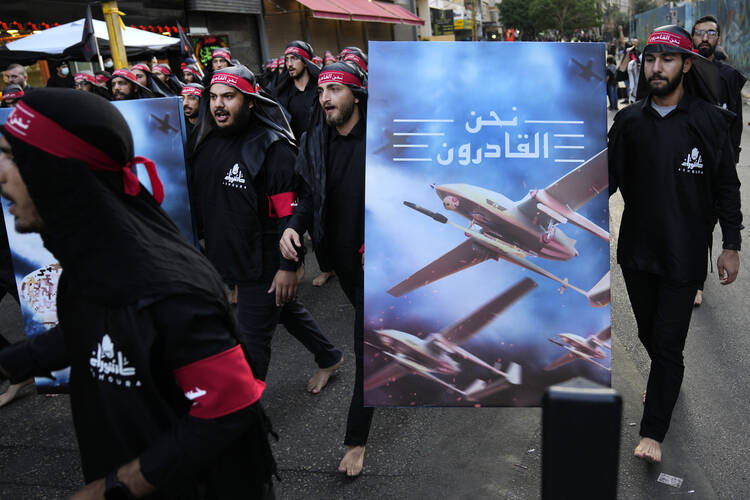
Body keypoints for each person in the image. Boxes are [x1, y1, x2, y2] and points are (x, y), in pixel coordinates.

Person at [0, 88, 277, 497]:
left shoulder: (167, 290)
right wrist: (11, 363)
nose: (1, 174)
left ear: (58, 174)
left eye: (12, 157)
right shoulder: (93, 260)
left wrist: (115, 488)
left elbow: (228, 408)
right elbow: (95, 329)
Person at [608, 25, 742, 463]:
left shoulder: (710, 122)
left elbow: (726, 186)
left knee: (667, 344)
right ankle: (667, 376)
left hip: (684, 256)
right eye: (650, 59)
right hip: (637, 254)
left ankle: (653, 431)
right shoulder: (628, 123)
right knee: (650, 334)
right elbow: (605, 183)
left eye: (667, 59)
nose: (656, 68)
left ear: (686, 64)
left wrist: (731, 244)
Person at [189, 65, 343, 391]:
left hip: (262, 265)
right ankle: (329, 356)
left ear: (250, 102)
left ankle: (242, 419)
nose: (219, 105)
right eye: (214, 97)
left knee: (250, 347)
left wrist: (288, 265)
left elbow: (292, 215)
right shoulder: (206, 143)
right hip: (228, 260)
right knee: (285, 310)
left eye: (229, 97)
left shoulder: (273, 149)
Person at [280, 62, 372, 476]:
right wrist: (293, 228)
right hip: (344, 266)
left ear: (356, 93)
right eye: (321, 91)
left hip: (379, 264)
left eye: (335, 89)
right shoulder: (315, 140)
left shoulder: (381, 138)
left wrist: (385, 239)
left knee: (368, 346)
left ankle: (356, 441)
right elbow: (307, 198)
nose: (326, 98)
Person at [690, 15, 746, 307]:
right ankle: (691, 278)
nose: (704, 38)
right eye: (699, 33)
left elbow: (734, 121)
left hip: (717, 162)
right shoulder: (685, 71)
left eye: (710, 33)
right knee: (689, 224)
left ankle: (696, 282)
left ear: (719, 39)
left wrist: (731, 158)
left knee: (705, 224)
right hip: (687, 163)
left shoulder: (729, 76)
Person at [273, 41, 320, 142]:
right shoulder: (282, 95)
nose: (289, 64)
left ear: (305, 62)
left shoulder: (321, 90)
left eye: (294, 58)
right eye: (287, 60)